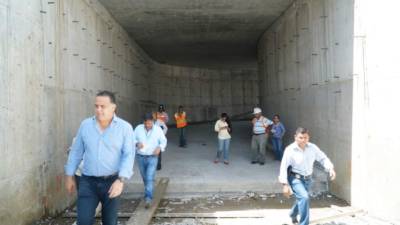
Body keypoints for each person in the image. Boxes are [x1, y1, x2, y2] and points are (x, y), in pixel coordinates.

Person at [64, 90, 134, 225]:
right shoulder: (85, 125)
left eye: (103, 106)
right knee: (83, 221)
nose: (99, 110)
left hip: (112, 182)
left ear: (113, 107)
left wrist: (121, 180)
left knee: (110, 221)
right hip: (88, 182)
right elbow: (76, 152)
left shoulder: (125, 128)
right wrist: (69, 176)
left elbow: (128, 156)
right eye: (96, 106)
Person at [279, 127, 336, 225]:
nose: (303, 140)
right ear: (295, 137)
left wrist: (330, 168)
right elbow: (283, 167)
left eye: (305, 137)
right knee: (304, 197)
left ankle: (292, 214)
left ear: (308, 137)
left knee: (301, 198)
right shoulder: (290, 150)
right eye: (300, 137)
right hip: (295, 178)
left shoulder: (313, 148)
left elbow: (322, 158)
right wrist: (284, 184)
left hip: (308, 179)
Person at [134, 113, 167, 208]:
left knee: (149, 177)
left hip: (153, 157)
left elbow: (163, 141)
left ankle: (148, 198)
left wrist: (159, 148)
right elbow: (131, 139)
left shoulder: (157, 130)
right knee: (145, 177)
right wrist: (136, 143)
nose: (148, 125)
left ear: (153, 121)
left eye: (150, 123)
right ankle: (149, 189)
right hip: (140, 157)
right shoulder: (138, 129)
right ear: (143, 122)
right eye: (146, 123)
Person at [154, 104, 169, 170]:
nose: (160, 110)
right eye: (159, 108)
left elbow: (167, 121)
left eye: (161, 108)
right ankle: (156, 164)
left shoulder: (165, 114)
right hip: (155, 134)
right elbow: (154, 121)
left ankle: (158, 165)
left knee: (159, 149)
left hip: (161, 133)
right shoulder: (156, 114)